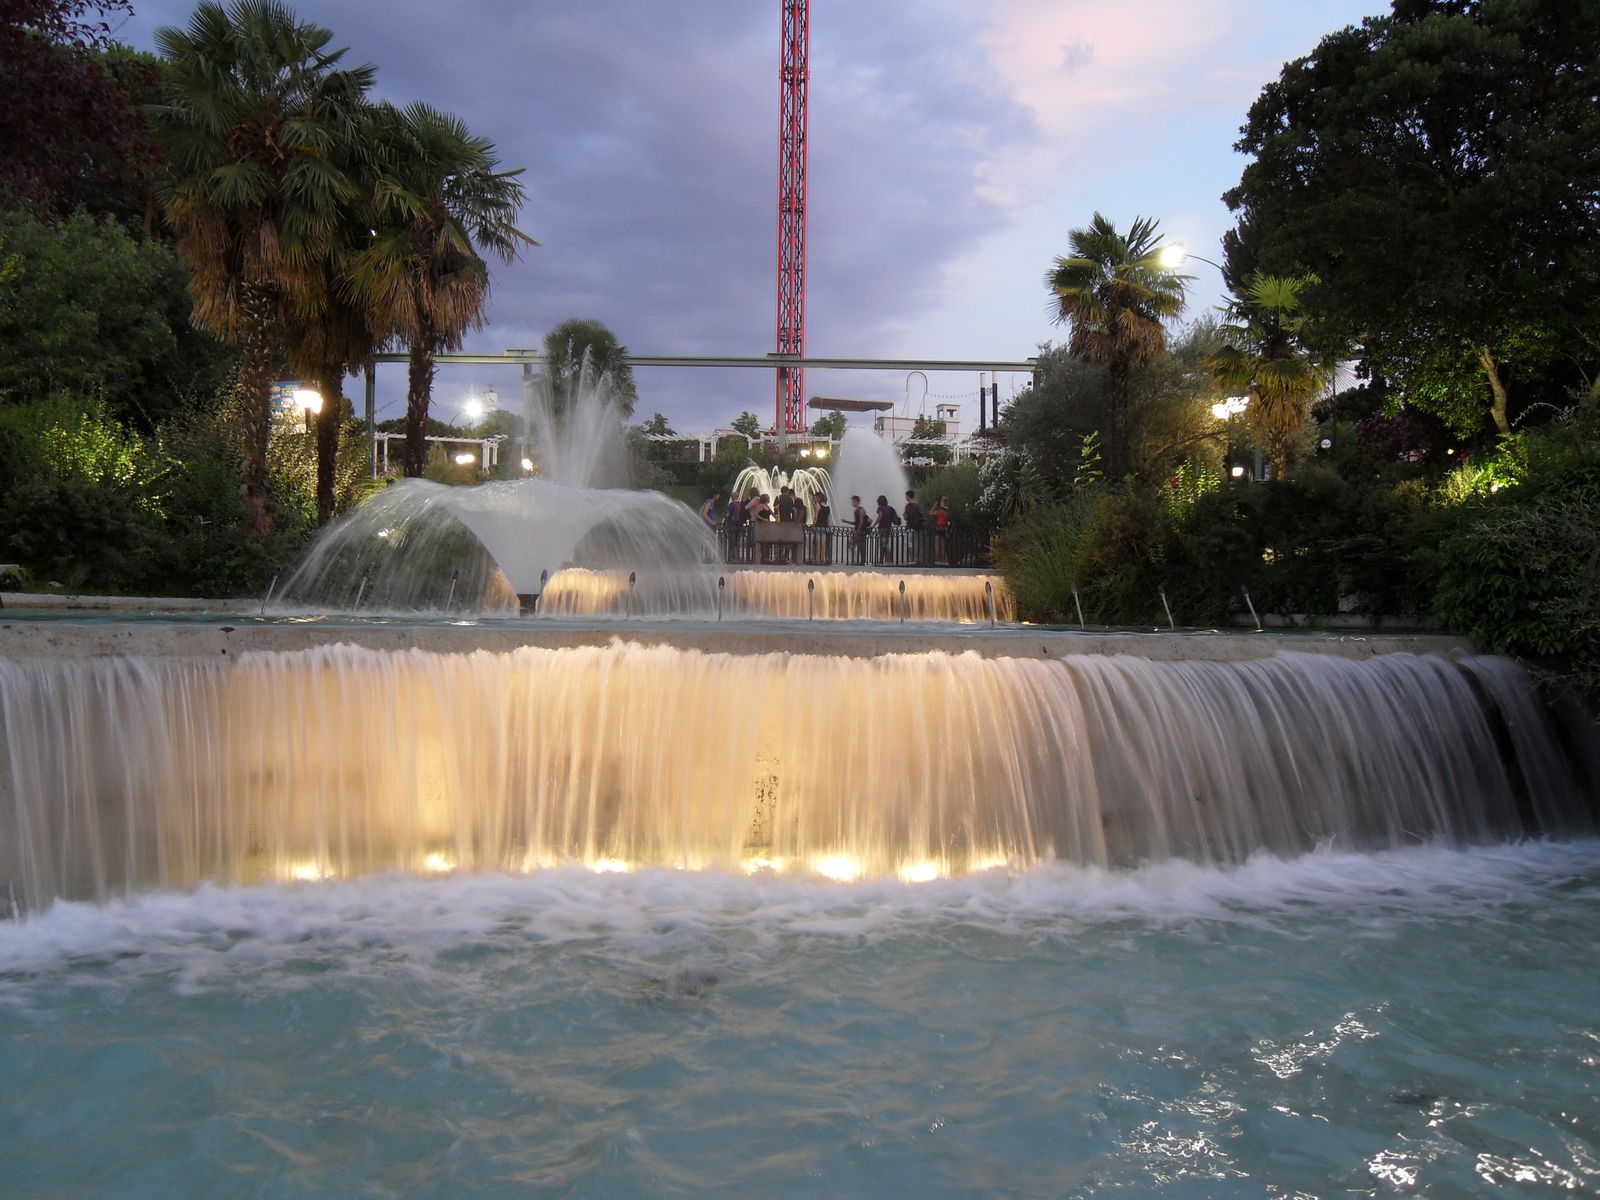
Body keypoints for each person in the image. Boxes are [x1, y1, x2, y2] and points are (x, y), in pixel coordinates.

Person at [903, 489, 925, 564]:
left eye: (906, 496)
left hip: (910, 527)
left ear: (908, 496)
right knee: (915, 543)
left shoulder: (908, 506)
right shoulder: (918, 505)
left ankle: (912, 560)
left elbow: (906, 517)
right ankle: (916, 559)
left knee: (909, 544)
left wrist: (904, 515)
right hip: (916, 527)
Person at [810, 494, 832, 564]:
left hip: (818, 526)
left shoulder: (818, 505)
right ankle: (823, 559)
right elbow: (828, 519)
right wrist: (828, 526)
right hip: (825, 527)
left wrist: (813, 525)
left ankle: (818, 560)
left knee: (818, 544)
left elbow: (816, 516)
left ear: (820, 499)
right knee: (823, 544)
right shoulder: (828, 507)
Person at [850, 495, 871, 564]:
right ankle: (856, 560)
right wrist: (846, 522)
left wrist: (858, 530)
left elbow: (861, 521)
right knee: (852, 545)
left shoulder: (861, 510)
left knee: (861, 546)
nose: (852, 503)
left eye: (854, 501)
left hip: (861, 531)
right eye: (852, 502)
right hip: (857, 530)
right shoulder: (856, 510)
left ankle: (862, 561)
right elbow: (857, 522)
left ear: (858, 502)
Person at [932, 495, 951, 566]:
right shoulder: (943, 510)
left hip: (941, 528)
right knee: (939, 546)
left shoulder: (941, 510)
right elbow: (931, 513)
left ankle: (940, 561)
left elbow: (931, 513)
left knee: (940, 546)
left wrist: (935, 506)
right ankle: (941, 561)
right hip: (941, 527)